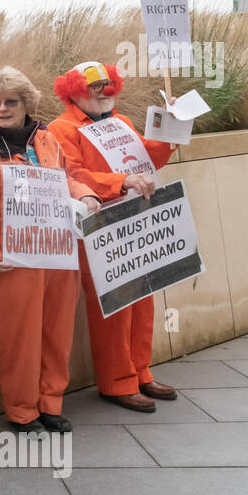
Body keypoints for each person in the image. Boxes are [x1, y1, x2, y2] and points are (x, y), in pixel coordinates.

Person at [0, 67, 101, 435]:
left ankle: (51, 403)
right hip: (12, 263)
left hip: (57, 254)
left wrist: (86, 194)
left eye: (10, 102)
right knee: (19, 341)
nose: (1, 109)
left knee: (57, 332)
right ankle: (22, 412)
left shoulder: (48, 141)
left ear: (27, 103)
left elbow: (66, 178)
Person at [47, 61, 179, 413]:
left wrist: (171, 125)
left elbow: (148, 158)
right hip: (99, 226)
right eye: (95, 86)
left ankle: (141, 372)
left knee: (143, 300)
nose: (104, 90)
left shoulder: (121, 122)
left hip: (135, 221)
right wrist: (119, 182)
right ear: (72, 90)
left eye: (107, 83)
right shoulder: (61, 129)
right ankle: (117, 382)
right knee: (114, 307)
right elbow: (71, 174)